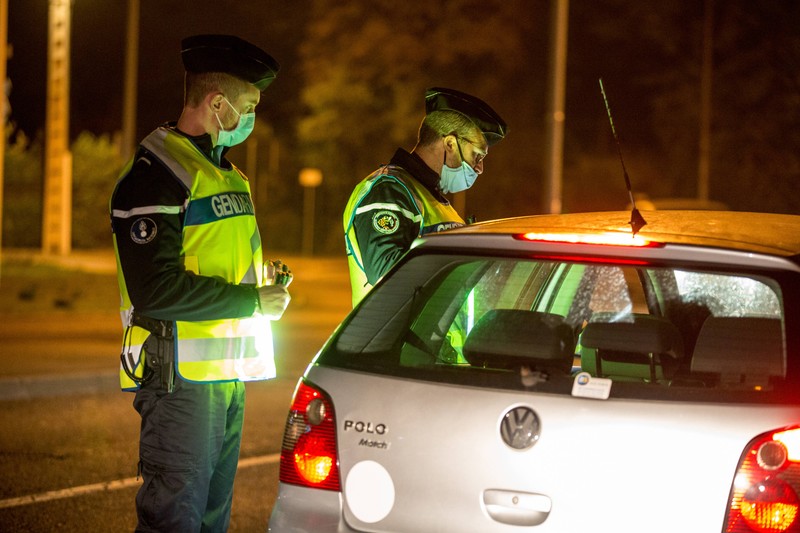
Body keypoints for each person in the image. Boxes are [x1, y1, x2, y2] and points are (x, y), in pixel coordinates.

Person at [109, 34, 290, 532]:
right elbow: (155, 289)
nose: (251, 118)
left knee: (212, 521)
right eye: (248, 107)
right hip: (179, 382)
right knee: (175, 521)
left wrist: (264, 283)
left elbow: (217, 259)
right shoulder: (156, 175)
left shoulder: (227, 174)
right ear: (217, 103)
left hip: (224, 378)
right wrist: (251, 300)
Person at [343, 87, 507, 307]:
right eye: (476, 156)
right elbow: (387, 276)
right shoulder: (389, 190)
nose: (480, 168)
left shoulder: (433, 199)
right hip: (393, 331)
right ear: (450, 144)